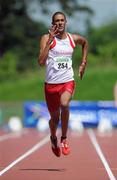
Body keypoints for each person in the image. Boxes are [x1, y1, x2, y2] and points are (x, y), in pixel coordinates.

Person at [38, 11, 88, 157]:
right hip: (51, 85)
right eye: (56, 21)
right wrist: (49, 42)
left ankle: (64, 138)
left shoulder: (72, 39)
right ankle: (53, 138)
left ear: (65, 22)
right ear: (53, 24)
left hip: (67, 81)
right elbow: (41, 62)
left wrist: (83, 63)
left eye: (62, 20)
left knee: (65, 104)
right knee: (54, 119)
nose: (59, 23)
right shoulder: (46, 38)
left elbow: (85, 43)